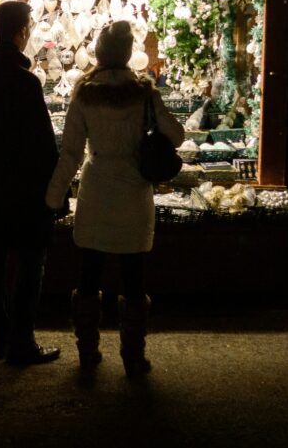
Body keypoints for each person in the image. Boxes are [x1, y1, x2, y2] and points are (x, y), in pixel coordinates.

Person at [44, 21, 183, 377]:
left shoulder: (85, 92)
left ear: (99, 53)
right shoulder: (144, 92)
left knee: (89, 273)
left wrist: (53, 196)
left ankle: (88, 352)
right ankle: (133, 357)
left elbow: (71, 153)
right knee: (134, 276)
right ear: (126, 52)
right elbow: (177, 136)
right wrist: (155, 105)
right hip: (134, 191)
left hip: (97, 189)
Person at [0, 1, 62, 366]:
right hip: (25, 191)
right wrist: (55, 192)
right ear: (22, 32)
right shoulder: (26, 82)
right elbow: (42, 143)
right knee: (30, 261)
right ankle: (22, 341)